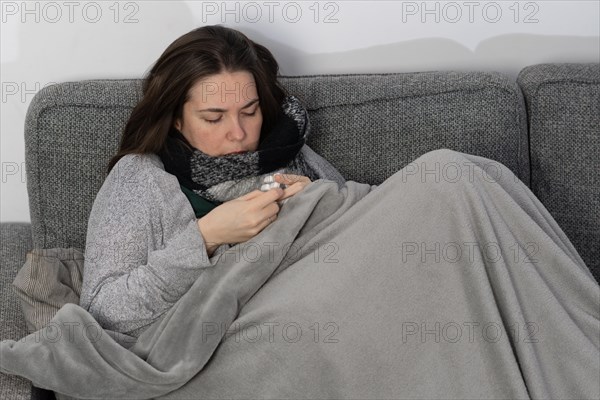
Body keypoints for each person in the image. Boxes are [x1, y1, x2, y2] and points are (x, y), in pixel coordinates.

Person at [79, 25, 345, 337]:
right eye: (213, 118)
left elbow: (361, 231)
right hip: (216, 351)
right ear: (176, 118)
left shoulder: (287, 154)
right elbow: (102, 311)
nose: (238, 133)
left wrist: (310, 205)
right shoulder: (139, 177)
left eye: (249, 111)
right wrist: (206, 237)